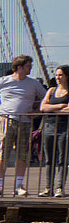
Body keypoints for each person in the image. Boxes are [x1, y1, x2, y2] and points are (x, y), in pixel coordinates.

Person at [0, 54, 47, 196]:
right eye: (28, 66)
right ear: (20, 67)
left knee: (23, 154)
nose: (30, 69)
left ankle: (19, 185)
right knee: (2, 153)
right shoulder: (4, 81)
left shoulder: (34, 83)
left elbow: (45, 97)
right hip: (6, 120)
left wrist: (37, 112)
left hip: (25, 121)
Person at [42, 65, 69, 198]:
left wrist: (51, 108)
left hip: (65, 127)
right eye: (57, 75)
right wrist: (60, 106)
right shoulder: (51, 90)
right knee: (49, 159)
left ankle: (59, 188)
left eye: (60, 75)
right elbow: (43, 107)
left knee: (62, 159)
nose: (57, 77)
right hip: (49, 126)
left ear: (67, 77)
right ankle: (48, 188)